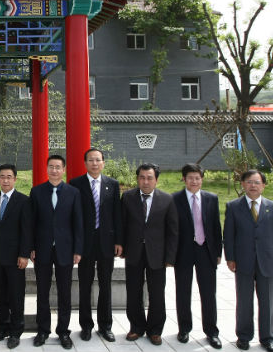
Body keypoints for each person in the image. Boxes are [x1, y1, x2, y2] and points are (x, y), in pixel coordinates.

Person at [224, 170, 273, 352]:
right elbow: (228, 235)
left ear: (263, 186)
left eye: (257, 182)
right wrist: (230, 258)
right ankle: (243, 337)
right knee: (244, 301)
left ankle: (268, 339)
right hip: (243, 261)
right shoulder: (233, 206)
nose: (253, 185)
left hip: (268, 262)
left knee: (267, 302)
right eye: (249, 182)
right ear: (243, 184)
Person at [121, 163, 178, 346]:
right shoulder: (128, 197)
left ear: (156, 180)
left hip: (157, 255)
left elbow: (172, 231)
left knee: (157, 293)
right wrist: (121, 247)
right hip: (134, 252)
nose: (145, 181)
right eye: (142, 177)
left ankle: (155, 330)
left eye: (149, 178)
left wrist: (170, 257)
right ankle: (136, 327)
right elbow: (122, 224)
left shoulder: (167, 199)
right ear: (137, 179)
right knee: (134, 291)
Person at [30, 154, 83, 349]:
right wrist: (31, 248)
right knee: (42, 292)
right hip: (42, 250)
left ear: (64, 169)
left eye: (58, 167)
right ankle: (43, 330)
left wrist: (78, 249)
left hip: (65, 250)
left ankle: (63, 332)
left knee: (64, 293)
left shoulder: (73, 192)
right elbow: (31, 224)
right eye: (51, 166)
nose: (54, 170)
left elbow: (78, 223)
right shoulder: (36, 192)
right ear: (46, 168)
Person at [69, 148, 122, 343]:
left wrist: (118, 241)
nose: (94, 163)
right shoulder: (76, 184)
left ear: (103, 163)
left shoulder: (112, 184)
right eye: (90, 160)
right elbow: (73, 217)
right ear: (85, 163)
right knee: (85, 285)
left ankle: (105, 326)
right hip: (85, 244)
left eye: (98, 160)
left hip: (107, 242)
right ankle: (86, 326)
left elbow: (118, 215)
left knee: (105, 285)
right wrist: (76, 245)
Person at [172, 163, 222, 349]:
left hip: (205, 250)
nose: (194, 181)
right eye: (190, 178)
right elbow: (172, 229)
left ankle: (212, 332)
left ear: (202, 179)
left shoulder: (211, 198)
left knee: (209, 293)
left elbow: (216, 227)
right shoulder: (174, 199)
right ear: (184, 179)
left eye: (197, 178)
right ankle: (184, 328)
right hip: (184, 251)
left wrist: (217, 252)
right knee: (183, 292)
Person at [0, 164, 32, 350]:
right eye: (2, 176)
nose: (5, 180)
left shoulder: (23, 200)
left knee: (16, 295)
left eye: (9, 177)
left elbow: (27, 230)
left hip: (15, 258)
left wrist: (24, 254)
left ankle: (16, 331)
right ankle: (2, 327)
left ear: (15, 179)